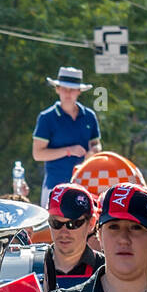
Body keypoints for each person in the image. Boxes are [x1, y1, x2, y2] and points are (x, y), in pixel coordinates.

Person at [31, 66, 102, 209]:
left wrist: (93, 152)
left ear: (79, 91)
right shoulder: (47, 118)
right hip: (55, 187)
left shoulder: (89, 116)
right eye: (64, 88)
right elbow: (37, 154)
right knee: (54, 229)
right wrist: (69, 150)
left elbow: (96, 144)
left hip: (87, 187)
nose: (68, 93)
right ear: (57, 89)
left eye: (73, 89)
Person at [43, 183, 103, 290]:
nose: (64, 232)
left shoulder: (106, 270)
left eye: (73, 224)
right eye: (56, 223)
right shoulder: (33, 266)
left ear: (91, 223)